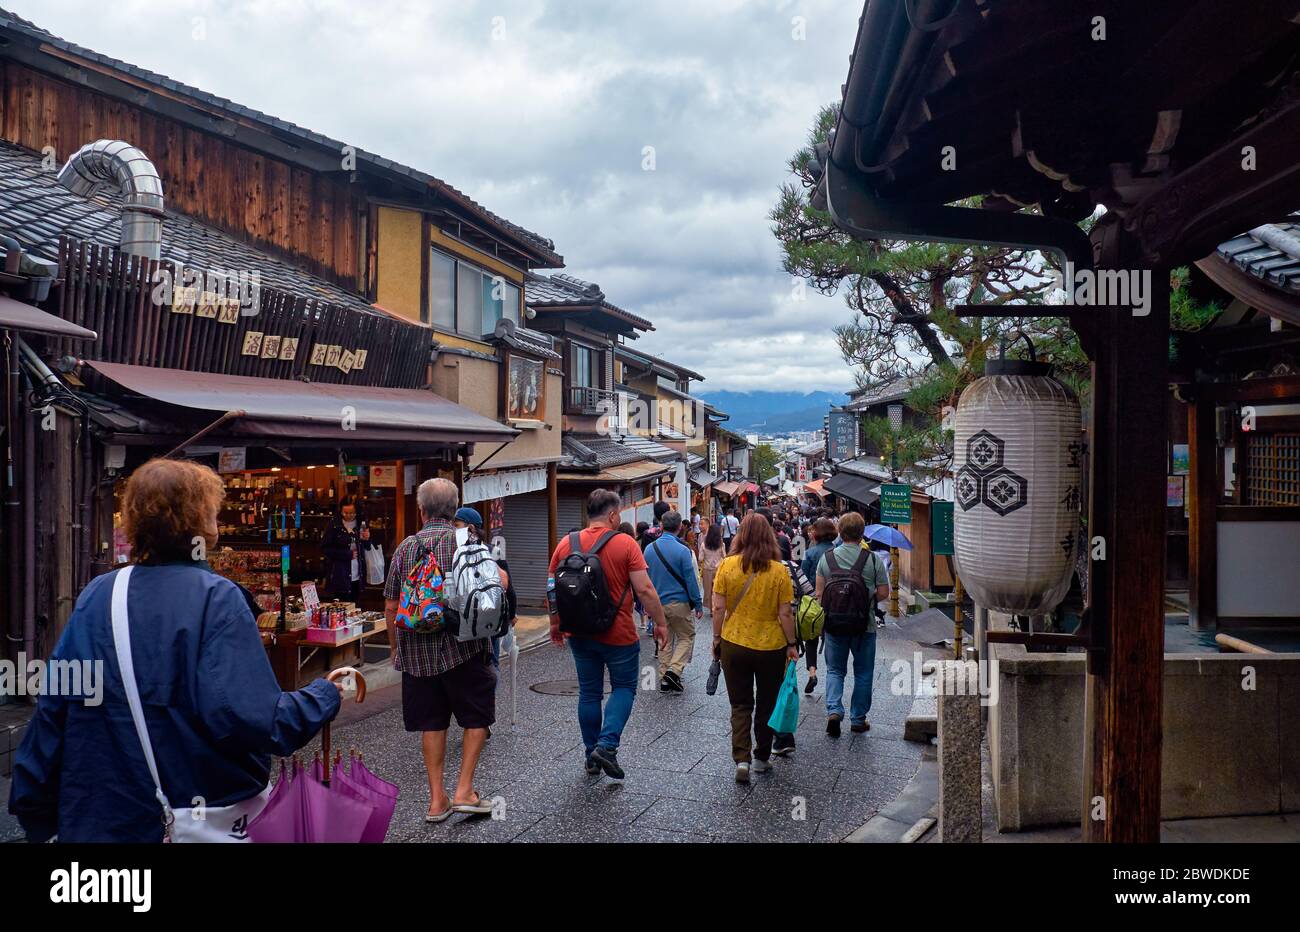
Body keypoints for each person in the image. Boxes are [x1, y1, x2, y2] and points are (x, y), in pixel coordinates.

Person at [8, 458, 342, 843]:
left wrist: (37, 811)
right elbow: (258, 721)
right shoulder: (217, 600)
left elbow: (56, 707)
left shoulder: (100, 595)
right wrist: (324, 695)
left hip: (100, 820)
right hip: (191, 817)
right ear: (201, 521)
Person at [385, 478, 496, 822]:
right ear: (454, 509)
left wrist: (394, 648)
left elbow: (391, 605)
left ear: (421, 511)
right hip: (463, 647)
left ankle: (437, 801)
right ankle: (464, 789)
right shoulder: (467, 541)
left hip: (417, 654)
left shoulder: (405, 548)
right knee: (476, 715)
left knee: (432, 722)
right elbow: (489, 593)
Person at [549, 489, 668, 781]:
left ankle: (591, 755)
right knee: (624, 688)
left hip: (579, 631)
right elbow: (645, 589)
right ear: (613, 515)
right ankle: (607, 745)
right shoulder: (625, 543)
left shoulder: (566, 543)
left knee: (589, 692)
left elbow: (552, 587)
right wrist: (661, 622)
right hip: (618, 633)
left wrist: (555, 623)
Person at [711, 513, 799, 783]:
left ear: (741, 535)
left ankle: (741, 760)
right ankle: (761, 757)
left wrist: (716, 638)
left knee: (740, 705)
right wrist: (792, 644)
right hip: (770, 647)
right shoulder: (779, 571)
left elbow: (717, 607)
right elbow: (785, 614)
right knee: (766, 703)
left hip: (734, 643)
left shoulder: (727, 566)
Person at [815, 511, 889, 737]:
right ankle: (858, 718)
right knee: (864, 672)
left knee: (835, 670)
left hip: (834, 624)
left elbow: (819, 595)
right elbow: (884, 593)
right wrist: (865, 596)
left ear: (840, 532)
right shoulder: (872, 559)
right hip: (863, 625)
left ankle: (834, 711)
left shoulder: (826, 559)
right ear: (862, 533)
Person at [644, 510, 704, 692]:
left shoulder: (649, 549)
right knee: (687, 637)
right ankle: (674, 670)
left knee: (664, 639)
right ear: (680, 528)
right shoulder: (683, 551)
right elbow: (690, 580)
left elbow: (645, 580)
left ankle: (664, 679)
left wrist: (646, 605)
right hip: (679, 602)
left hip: (657, 604)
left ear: (661, 526)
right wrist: (698, 603)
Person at [452, 507, 515, 669]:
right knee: (491, 662)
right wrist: (511, 614)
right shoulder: (494, 551)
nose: (453, 529)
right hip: (490, 616)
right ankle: (490, 694)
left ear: (470, 528)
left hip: (465, 618)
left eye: (457, 525)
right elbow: (508, 588)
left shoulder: (457, 552)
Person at [772, 534, 815, 757]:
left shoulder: (761, 567)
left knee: (770, 684)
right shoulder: (793, 567)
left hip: (766, 632)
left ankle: (777, 734)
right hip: (790, 632)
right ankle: (781, 734)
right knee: (785, 681)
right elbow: (810, 593)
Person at [799, 517, 837, 694]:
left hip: (814, 602)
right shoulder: (838, 551)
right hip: (836, 603)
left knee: (811, 639)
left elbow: (802, 578)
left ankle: (812, 673)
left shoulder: (810, 553)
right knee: (831, 639)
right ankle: (833, 676)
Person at [321, 497, 377, 601]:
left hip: (358, 573)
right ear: (341, 511)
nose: (348, 516)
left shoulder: (361, 523)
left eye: (352, 513)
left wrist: (367, 539)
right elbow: (325, 548)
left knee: (355, 606)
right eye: (345, 512)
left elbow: (368, 547)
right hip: (339, 574)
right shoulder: (334, 525)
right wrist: (346, 554)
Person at [697, 522, 726, 612]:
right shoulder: (721, 544)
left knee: (708, 590)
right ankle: (716, 606)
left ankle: (710, 609)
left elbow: (700, 558)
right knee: (717, 590)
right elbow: (724, 556)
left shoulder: (704, 544)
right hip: (718, 569)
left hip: (707, 569)